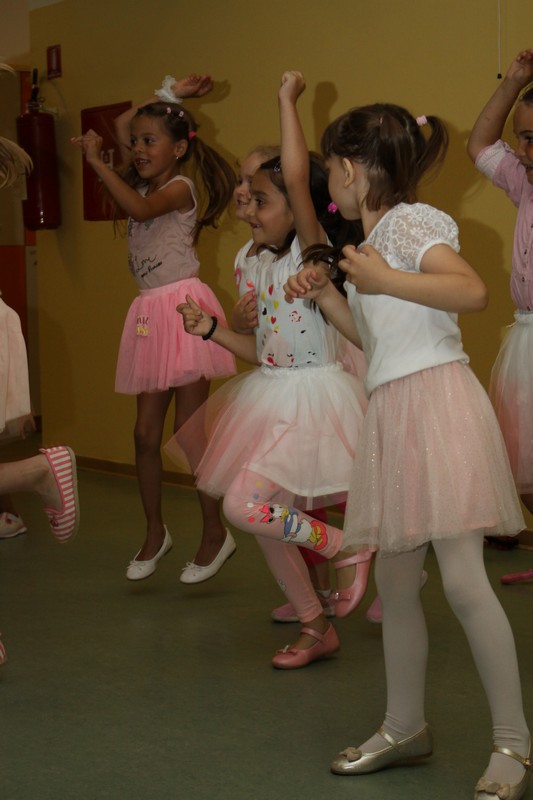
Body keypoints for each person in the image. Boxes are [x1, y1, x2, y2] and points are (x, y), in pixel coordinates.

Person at [284, 101, 530, 798]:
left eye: (332, 168)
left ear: (351, 169)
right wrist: (330, 297)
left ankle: (514, 745)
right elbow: (377, 340)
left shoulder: (405, 223)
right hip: (395, 409)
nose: (330, 182)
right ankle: (403, 726)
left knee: (463, 581)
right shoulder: (370, 242)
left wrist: (380, 278)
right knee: (395, 586)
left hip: (437, 406)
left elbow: (470, 290)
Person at [167, 71, 373, 668]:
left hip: (315, 400)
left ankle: (344, 545)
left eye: (262, 199)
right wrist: (214, 330)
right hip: (270, 395)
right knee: (263, 519)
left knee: (243, 507)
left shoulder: (313, 252)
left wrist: (286, 100)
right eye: (247, 197)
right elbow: (263, 350)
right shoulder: (248, 261)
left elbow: (299, 181)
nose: (248, 208)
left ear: (298, 206)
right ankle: (315, 625)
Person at [72, 74, 238, 584]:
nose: (139, 147)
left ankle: (215, 533)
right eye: (137, 142)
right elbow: (126, 121)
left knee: (188, 435)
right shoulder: (143, 179)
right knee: (144, 434)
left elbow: (140, 209)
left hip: (185, 313)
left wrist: (98, 162)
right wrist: (169, 94)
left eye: (151, 141)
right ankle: (155, 532)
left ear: (179, 148)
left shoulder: (178, 189)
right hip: (149, 315)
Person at [467, 49, 533, 521]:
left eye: (531, 140)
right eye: (521, 139)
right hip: (526, 340)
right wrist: (514, 82)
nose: (522, 151)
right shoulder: (524, 182)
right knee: (524, 472)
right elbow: (480, 145)